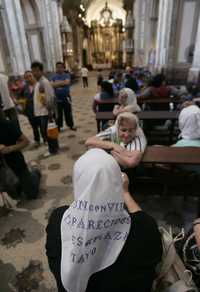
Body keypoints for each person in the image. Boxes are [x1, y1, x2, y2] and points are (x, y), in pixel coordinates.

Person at [46, 149, 162, 292]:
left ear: (77, 181)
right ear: (117, 182)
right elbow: (155, 255)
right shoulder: (144, 228)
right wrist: (125, 193)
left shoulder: (58, 219)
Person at [0, 108, 40, 199]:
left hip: (17, 164)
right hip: (2, 169)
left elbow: (25, 141)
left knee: (32, 195)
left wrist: (10, 148)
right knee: (15, 196)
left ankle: (35, 170)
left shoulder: (7, 124)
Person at [51, 62, 76, 131]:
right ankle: (58, 127)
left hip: (66, 97)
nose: (59, 69)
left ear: (63, 68)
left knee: (68, 112)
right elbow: (51, 85)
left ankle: (71, 125)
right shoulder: (53, 76)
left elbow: (67, 82)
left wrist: (57, 84)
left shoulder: (67, 75)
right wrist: (62, 83)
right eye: (57, 67)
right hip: (57, 98)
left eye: (60, 67)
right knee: (58, 113)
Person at [22, 71, 41, 146]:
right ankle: (37, 140)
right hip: (29, 110)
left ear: (33, 76)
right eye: (26, 77)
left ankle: (46, 139)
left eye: (30, 76)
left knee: (43, 126)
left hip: (40, 109)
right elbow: (21, 97)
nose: (28, 78)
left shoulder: (39, 85)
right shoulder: (24, 87)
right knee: (34, 127)